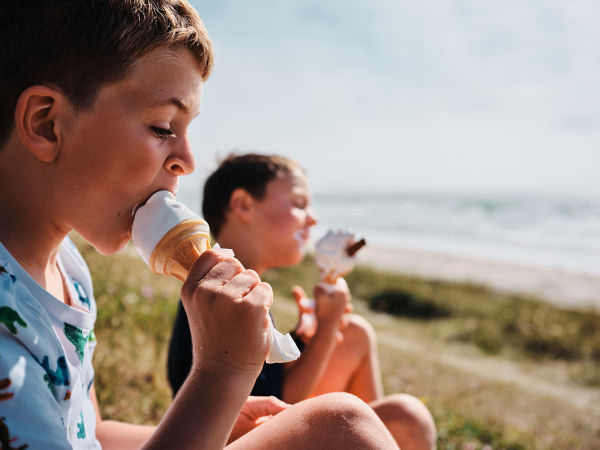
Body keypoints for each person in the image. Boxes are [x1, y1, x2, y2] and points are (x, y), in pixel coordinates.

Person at [0, 2, 400, 449]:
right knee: (343, 426)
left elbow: (92, 434)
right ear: (47, 123)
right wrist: (220, 376)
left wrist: (215, 422)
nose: (187, 160)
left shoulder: (69, 272)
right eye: (162, 126)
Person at [168, 154, 437, 449]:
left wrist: (300, 338)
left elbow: (263, 374)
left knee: (355, 334)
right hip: (224, 438)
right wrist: (326, 328)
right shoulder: (225, 297)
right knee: (406, 417)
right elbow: (276, 405)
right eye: (298, 203)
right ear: (243, 205)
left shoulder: (228, 286)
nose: (313, 218)